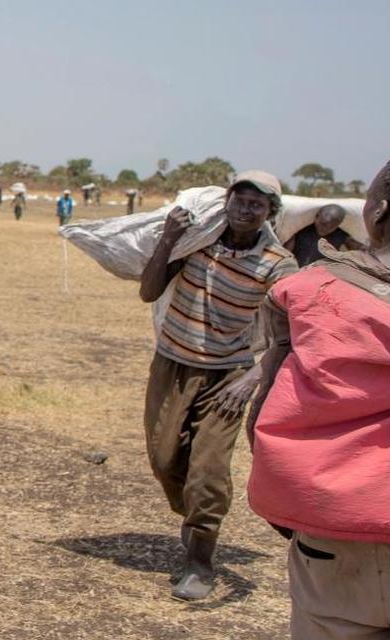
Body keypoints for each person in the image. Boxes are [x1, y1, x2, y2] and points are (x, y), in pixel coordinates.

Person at [247, 156, 390, 640]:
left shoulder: (308, 291)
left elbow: (265, 411)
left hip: (331, 537)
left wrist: (300, 512)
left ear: (375, 212)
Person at [138, 170, 297, 601]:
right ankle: (193, 518)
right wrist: (168, 239)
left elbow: (292, 334)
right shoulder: (197, 242)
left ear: (270, 213)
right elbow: (148, 293)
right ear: (226, 202)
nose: (245, 210)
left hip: (227, 376)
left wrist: (251, 379)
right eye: (239, 200)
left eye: (257, 205)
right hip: (171, 363)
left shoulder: (277, 264)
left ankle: (200, 560)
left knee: (208, 469)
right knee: (165, 458)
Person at [284, 204, 365, 267]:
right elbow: (286, 254)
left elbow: (358, 250)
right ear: (316, 217)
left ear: (338, 225)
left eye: (331, 227)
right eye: (322, 224)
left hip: (322, 273)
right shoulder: (302, 231)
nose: (324, 229)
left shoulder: (340, 235)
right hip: (297, 270)